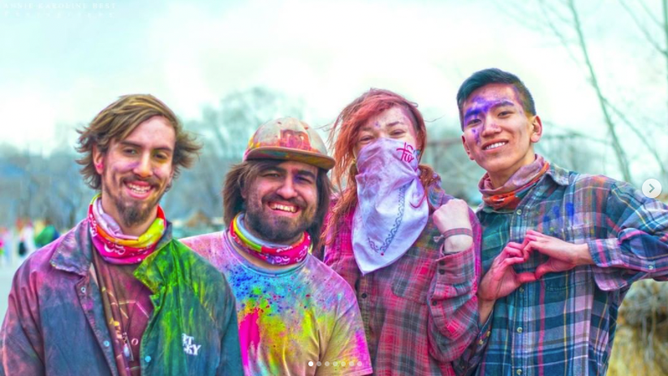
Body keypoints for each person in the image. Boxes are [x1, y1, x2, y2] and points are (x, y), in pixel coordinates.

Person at [0, 94, 243, 376]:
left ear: (172, 170)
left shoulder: (207, 286)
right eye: (130, 151)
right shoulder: (40, 278)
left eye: (160, 156)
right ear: (99, 157)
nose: (143, 168)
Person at [456, 68, 668, 376]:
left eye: (503, 113)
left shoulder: (595, 196)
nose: (489, 128)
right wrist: (484, 301)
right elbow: (457, 361)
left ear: (535, 127)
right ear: (466, 145)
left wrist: (583, 253)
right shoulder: (467, 232)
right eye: (475, 121)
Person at [182, 117, 373, 376]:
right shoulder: (183, 263)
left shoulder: (334, 297)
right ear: (244, 186)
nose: (287, 190)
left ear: (319, 197)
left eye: (303, 179)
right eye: (273, 174)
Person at [322, 89, 481, 375]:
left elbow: (452, 344)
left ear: (418, 139)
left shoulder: (450, 219)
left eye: (397, 134)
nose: (383, 147)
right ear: (354, 151)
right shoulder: (334, 218)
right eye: (367, 139)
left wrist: (457, 245)